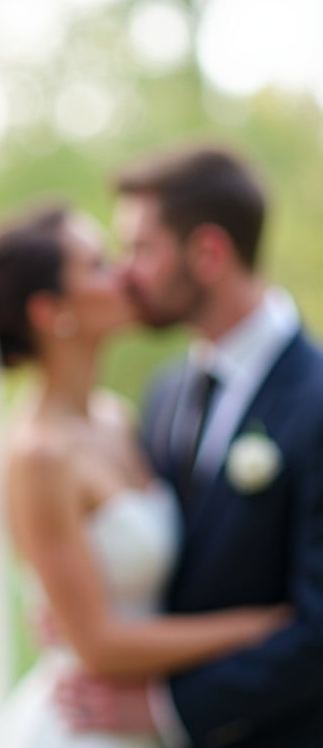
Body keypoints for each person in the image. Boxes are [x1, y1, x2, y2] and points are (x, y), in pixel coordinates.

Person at [0, 202, 288, 747]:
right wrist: (261, 628)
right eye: (99, 265)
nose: (126, 273)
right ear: (52, 311)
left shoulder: (117, 417)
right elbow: (100, 644)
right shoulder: (39, 456)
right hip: (86, 727)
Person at [55, 145, 323, 747]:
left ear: (208, 253)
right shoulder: (167, 391)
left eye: (142, 249)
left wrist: (167, 709)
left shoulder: (318, 399)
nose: (125, 272)